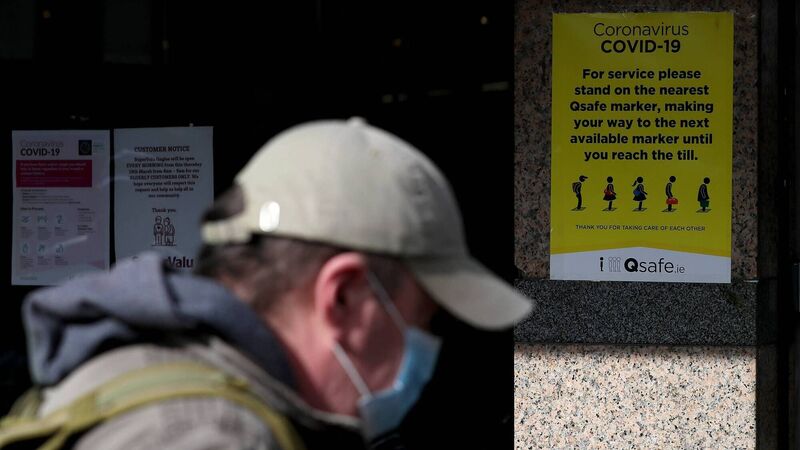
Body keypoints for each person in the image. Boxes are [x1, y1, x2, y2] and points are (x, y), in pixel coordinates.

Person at [1, 118, 532, 449]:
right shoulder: (215, 437)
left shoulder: (133, 372)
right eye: (423, 320)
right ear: (342, 296)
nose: (428, 352)